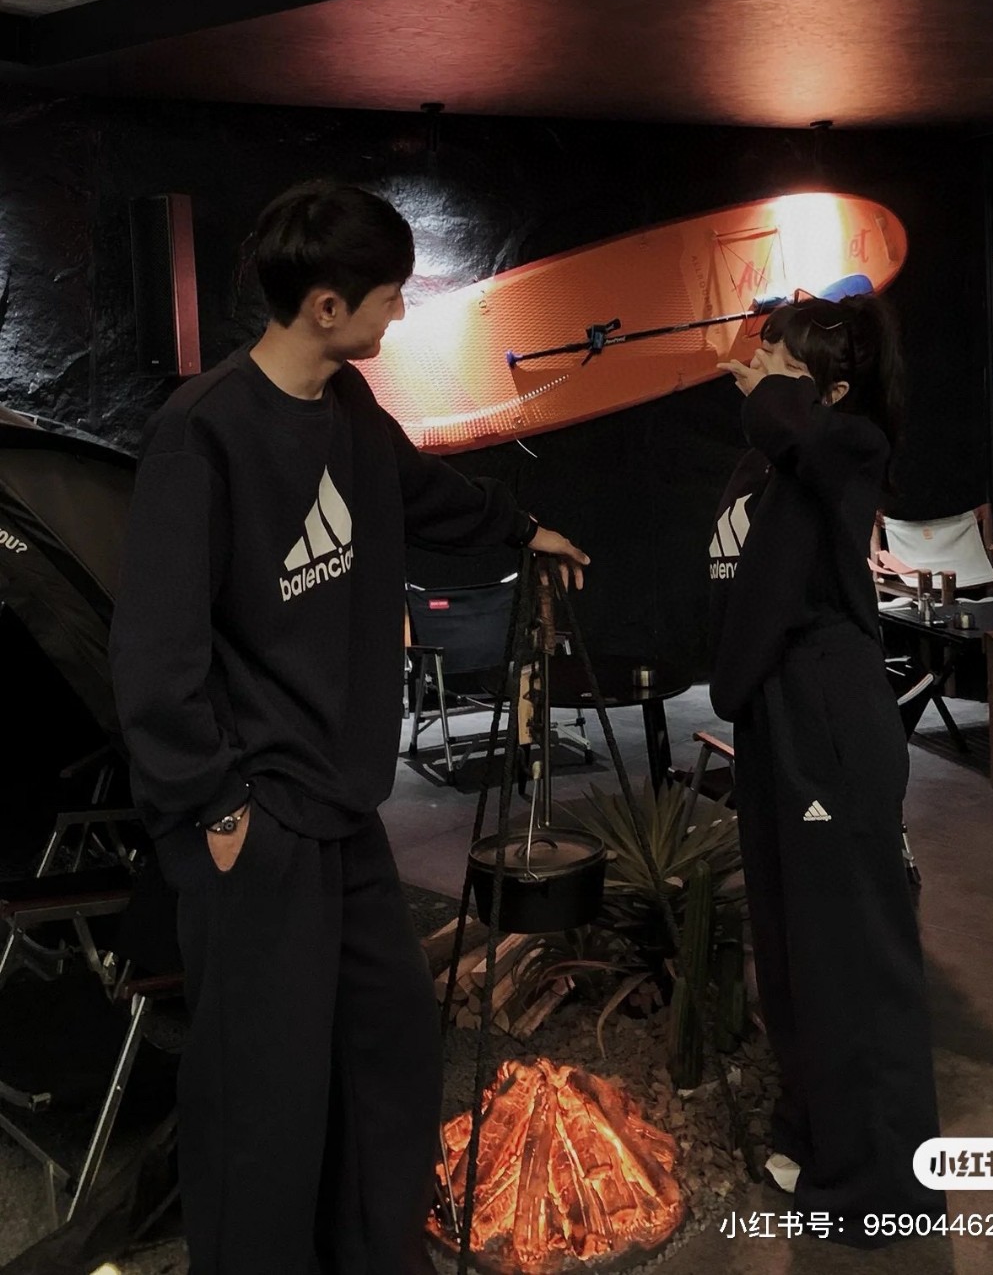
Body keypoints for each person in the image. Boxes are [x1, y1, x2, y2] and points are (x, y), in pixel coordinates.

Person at [109, 178, 589, 1275]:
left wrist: (524, 529)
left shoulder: (351, 412)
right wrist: (214, 806)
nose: (400, 312)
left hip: (340, 803)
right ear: (327, 306)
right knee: (261, 1098)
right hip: (253, 817)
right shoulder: (203, 431)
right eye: (389, 295)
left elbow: (416, 493)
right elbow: (154, 653)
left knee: (387, 1045)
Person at [708, 292, 941, 1245]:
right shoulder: (778, 457)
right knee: (792, 950)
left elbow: (804, 431)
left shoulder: (850, 446)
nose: (757, 374)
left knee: (853, 961)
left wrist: (777, 393)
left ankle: (883, 1191)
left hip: (830, 718)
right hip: (774, 715)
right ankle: (817, 1137)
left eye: (782, 366)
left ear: (831, 392)